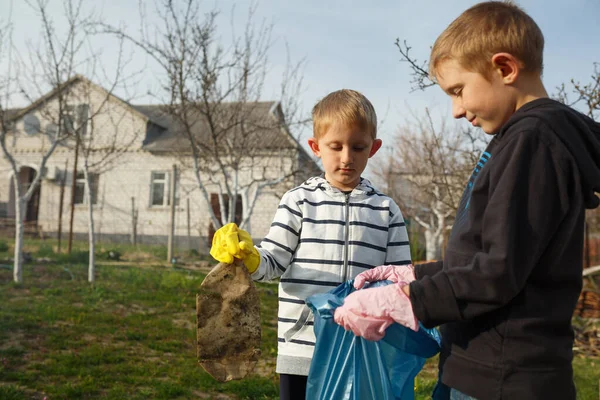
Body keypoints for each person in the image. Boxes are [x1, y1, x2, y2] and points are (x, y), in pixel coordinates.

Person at [333, 2, 600, 399]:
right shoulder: (519, 141)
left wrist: (406, 300)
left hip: (504, 380)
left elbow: (497, 272)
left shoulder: (534, 142)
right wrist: (413, 275)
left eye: (458, 91)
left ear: (505, 68)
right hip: (480, 369)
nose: (456, 111)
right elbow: (489, 255)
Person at [209, 89, 413, 400]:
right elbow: (273, 262)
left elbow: (399, 279)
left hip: (359, 349)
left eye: (358, 147)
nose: (347, 157)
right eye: (336, 146)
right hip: (301, 349)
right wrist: (248, 258)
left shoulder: (386, 210)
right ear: (316, 147)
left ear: (373, 148)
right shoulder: (298, 202)